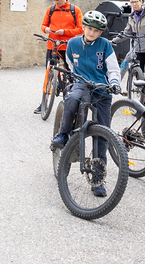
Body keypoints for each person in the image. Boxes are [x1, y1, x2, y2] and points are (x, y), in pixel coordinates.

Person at [50, 11, 122, 197]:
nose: (92, 33)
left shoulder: (105, 45)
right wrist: (75, 79)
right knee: (72, 99)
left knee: (103, 134)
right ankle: (63, 134)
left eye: (96, 31)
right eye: (89, 29)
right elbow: (70, 64)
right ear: (83, 27)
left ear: (100, 33)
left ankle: (98, 179)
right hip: (82, 83)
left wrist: (114, 83)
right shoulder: (73, 43)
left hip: (102, 87)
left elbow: (113, 68)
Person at [34, 0, 83, 114]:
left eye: (58, 0)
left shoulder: (75, 10)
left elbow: (81, 29)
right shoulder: (51, 9)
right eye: (54, 0)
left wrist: (65, 32)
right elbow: (43, 25)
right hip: (52, 45)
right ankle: (44, 102)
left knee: (71, 74)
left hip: (68, 46)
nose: (57, 3)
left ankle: (73, 102)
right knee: (49, 74)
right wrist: (46, 30)